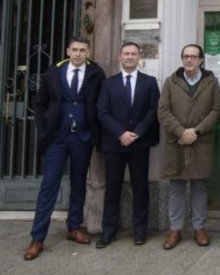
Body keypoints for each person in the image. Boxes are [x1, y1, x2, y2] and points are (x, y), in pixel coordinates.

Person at [23, 37, 106, 261]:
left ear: (88, 52)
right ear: (68, 51)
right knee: (49, 185)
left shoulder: (96, 73)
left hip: (82, 137)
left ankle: (74, 227)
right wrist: (44, 129)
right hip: (57, 138)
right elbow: (40, 103)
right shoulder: (54, 73)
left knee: (79, 184)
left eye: (82, 50)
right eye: (75, 49)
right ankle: (37, 238)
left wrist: (95, 133)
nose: (78, 53)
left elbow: (101, 103)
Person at [95, 41, 160, 248]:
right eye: (126, 54)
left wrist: (137, 133)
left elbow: (153, 110)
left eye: (133, 54)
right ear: (119, 57)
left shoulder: (150, 82)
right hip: (114, 144)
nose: (130, 57)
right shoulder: (108, 84)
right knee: (112, 189)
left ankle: (140, 231)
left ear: (139, 57)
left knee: (140, 188)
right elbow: (102, 112)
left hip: (140, 144)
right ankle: (108, 231)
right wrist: (120, 133)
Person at [158, 43, 220, 250]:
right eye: (186, 56)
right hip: (176, 141)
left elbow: (217, 110)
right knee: (176, 186)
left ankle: (199, 228)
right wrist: (181, 132)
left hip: (200, 141)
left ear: (201, 60)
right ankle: (175, 229)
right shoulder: (171, 82)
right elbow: (163, 111)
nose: (189, 60)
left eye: (193, 56)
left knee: (199, 186)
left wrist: (196, 131)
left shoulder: (211, 82)